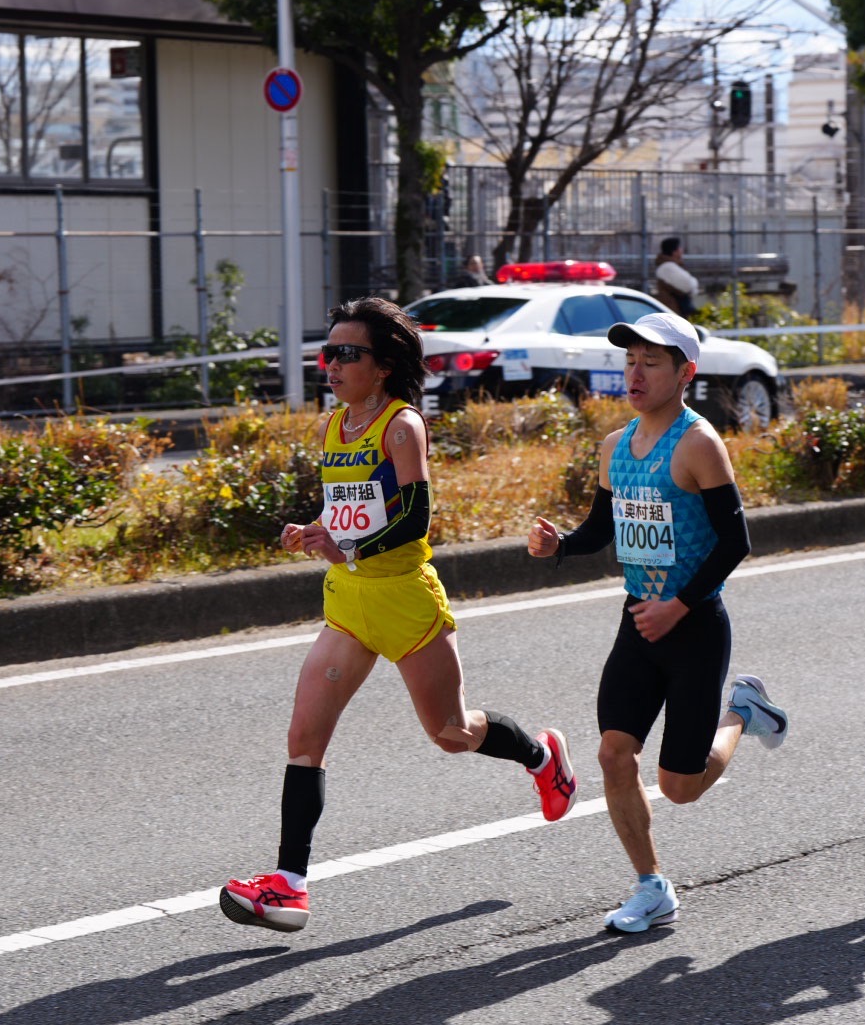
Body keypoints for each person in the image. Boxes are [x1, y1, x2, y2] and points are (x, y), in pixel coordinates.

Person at [221, 297, 578, 933]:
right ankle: (289, 885)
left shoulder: (400, 425)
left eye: (345, 354)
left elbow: (415, 516)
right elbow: (353, 509)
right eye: (326, 352)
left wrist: (347, 543)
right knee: (304, 740)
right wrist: (318, 530)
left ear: (383, 365)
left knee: (451, 735)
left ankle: (542, 756)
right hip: (350, 605)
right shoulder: (335, 425)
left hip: (407, 601)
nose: (329, 363)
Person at [527, 311, 789, 933]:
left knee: (680, 787)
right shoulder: (614, 448)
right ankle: (652, 887)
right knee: (615, 754)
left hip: (694, 626)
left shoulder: (699, 444)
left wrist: (679, 605)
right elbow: (600, 530)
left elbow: (735, 543)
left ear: (684, 373)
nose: (635, 374)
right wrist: (559, 544)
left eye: (651, 362)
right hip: (638, 625)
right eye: (629, 361)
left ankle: (742, 713)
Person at [652, 236, 700, 317]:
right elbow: (688, 285)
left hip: (674, 311)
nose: (682, 250)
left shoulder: (669, 265)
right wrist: (694, 283)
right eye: (679, 248)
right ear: (674, 251)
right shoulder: (668, 267)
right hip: (673, 311)